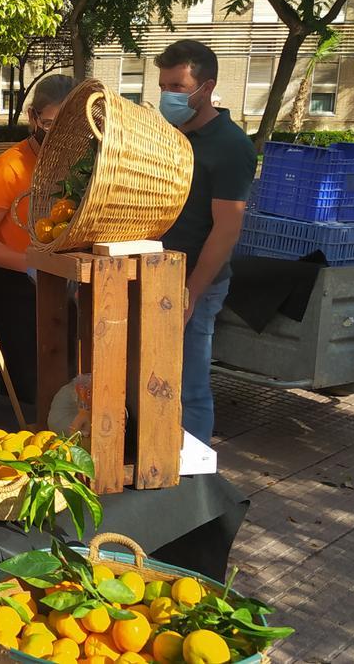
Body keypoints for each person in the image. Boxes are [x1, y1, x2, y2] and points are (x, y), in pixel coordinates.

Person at [154, 40, 257, 443]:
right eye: (163, 86)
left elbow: (226, 229)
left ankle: (194, 483)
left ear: (206, 87)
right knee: (151, 379)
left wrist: (191, 293)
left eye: (178, 87)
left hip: (197, 283)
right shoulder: (170, 137)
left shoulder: (231, 147)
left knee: (189, 387)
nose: (168, 96)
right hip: (157, 275)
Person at [0, 75, 75, 403]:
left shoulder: (81, 163)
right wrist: (31, 264)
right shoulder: (10, 167)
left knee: (67, 385)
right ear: (32, 117)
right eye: (50, 123)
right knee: (26, 392)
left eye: (70, 125)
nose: (58, 134)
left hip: (65, 286)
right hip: (17, 292)